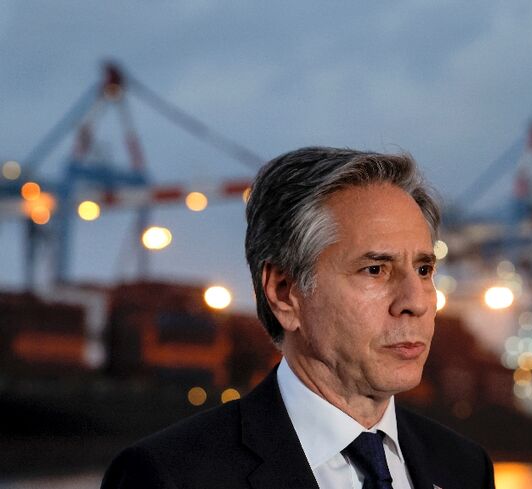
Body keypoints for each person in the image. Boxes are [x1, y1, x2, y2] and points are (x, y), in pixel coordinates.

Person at [101, 147, 496, 489]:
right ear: (284, 293)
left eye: (424, 270)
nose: (417, 302)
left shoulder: (464, 468)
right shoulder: (168, 476)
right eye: (375, 270)